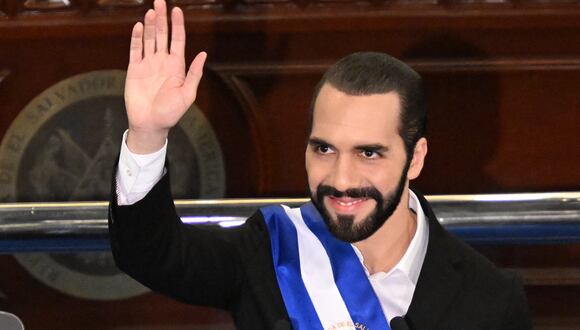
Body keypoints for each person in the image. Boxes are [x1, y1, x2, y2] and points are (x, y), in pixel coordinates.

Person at [108, 0, 532, 328]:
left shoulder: (490, 298)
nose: (341, 179)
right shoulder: (270, 250)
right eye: (324, 150)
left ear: (415, 157)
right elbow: (151, 255)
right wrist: (148, 134)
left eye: (368, 153)